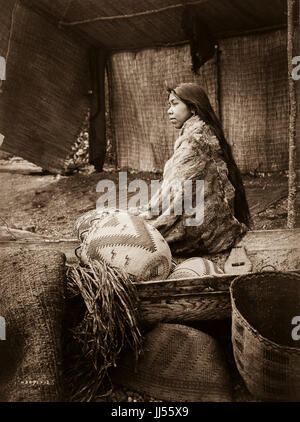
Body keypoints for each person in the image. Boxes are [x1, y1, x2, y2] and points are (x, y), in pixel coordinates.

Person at [133, 82, 250, 255]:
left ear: (193, 108)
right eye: (169, 105)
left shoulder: (195, 140)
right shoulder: (204, 132)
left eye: (174, 104)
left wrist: (146, 218)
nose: (169, 110)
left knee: (133, 235)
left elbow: (175, 195)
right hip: (215, 225)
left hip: (203, 232)